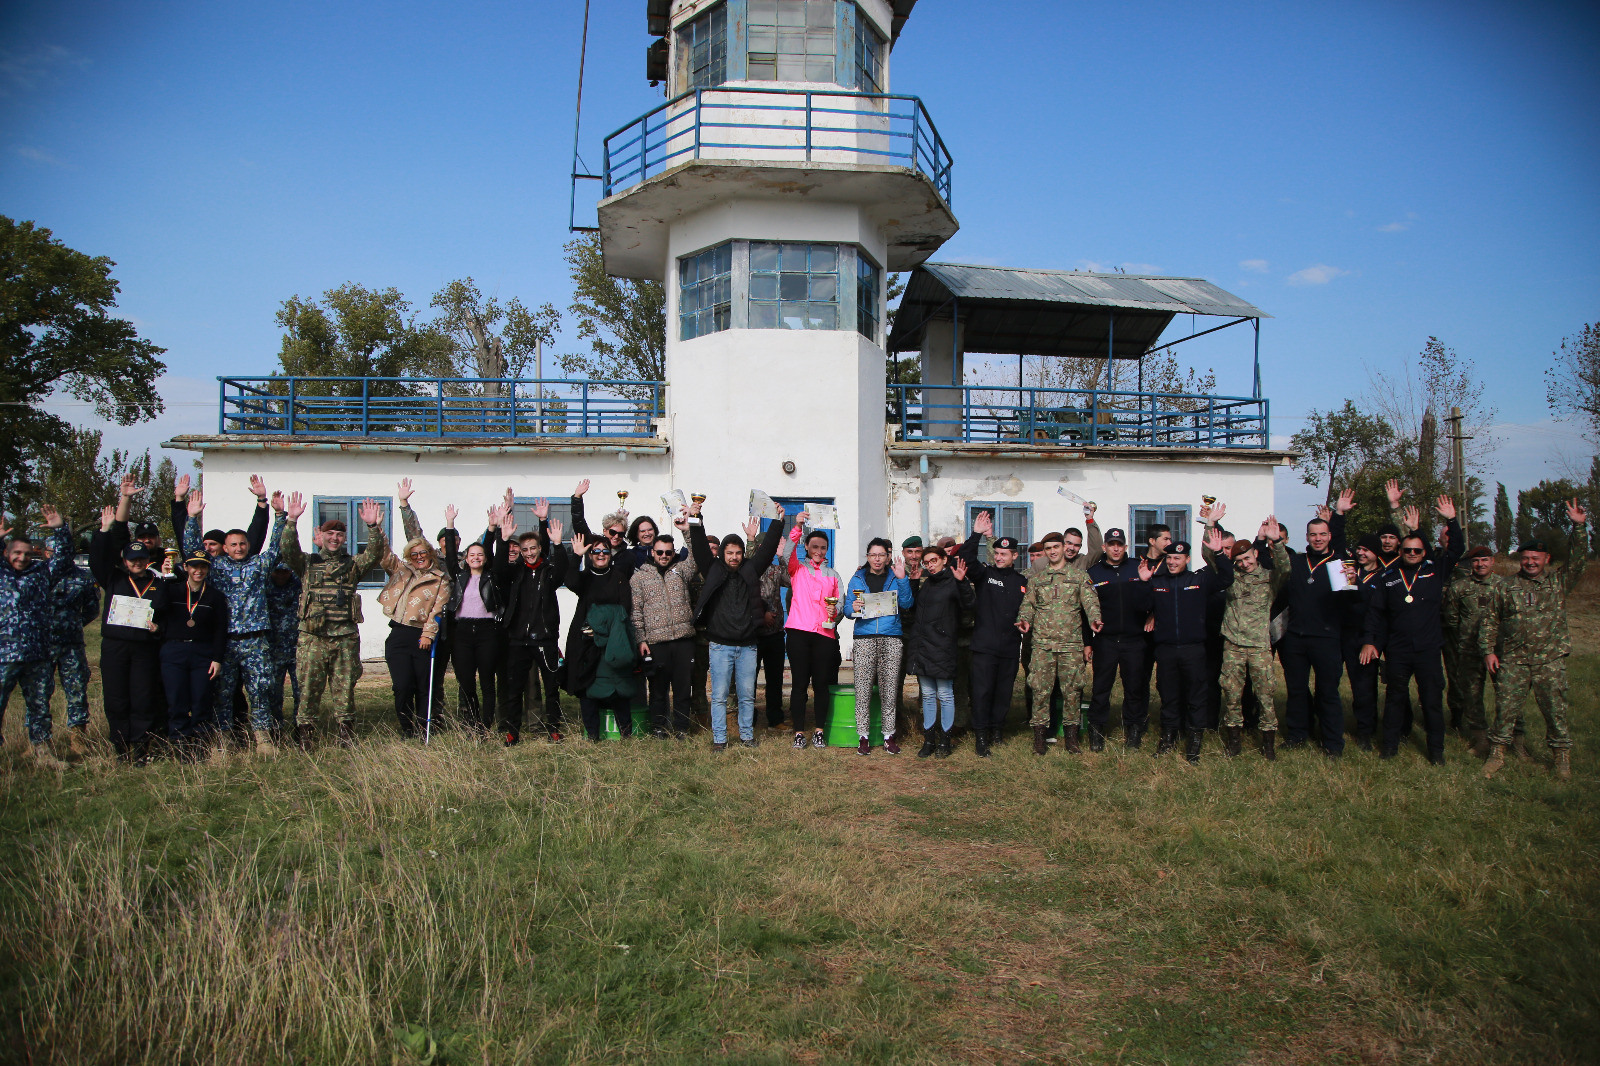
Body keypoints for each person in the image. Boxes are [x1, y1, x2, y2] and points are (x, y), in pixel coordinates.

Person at [1481, 499, 1588, 780]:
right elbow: (1491, 620)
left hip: (1548, 661)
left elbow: (1578, 561)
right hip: (1513, 660)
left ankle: (1561, 759)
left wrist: (1579, 528)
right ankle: (1496, 755)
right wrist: (1488, 651)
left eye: (1535, 558)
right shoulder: (1506, 586)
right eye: (1526, 558)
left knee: (1555, 712)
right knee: (1505, 710)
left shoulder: (1557, 583)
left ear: (1546, 559)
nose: (1530, 562)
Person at [180, 485, 289, 753]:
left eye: (242, 544)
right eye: (233, 545)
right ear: (225, 548)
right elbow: (192, 550)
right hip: (225, 641)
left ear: (247, 545)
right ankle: (223, 741)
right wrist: (192, 518)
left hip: (256, 640)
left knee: (260, 689)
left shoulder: (258, 565)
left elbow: (276, 548)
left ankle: (263, 738)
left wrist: (279, 516)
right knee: (223, 693)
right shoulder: (216, 567)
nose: (238, 548)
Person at [1359, 497, 1463, 765]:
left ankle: (1436, 751)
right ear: (1401, 551)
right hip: (1398, 650)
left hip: (1428, 650)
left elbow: (1456, 550)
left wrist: (1452, 520)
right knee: (1395, 699)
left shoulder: (1435, 572)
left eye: (1417, 550)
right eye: (1407, 550)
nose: (1412, 554)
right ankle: (1389, 747)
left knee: (1431, 701)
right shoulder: (1389, 577)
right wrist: (1370, 641)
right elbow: (1376, 613)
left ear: (1424, 552)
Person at [280, 493, 387, 747]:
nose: (335, 538)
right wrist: (291, 521)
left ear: (344, 538)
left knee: (345, 687)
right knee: (308, 687)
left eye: (339, 534)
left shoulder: (353, 565)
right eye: (330, 533)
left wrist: (372, 527)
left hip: (344, 638)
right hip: (313, 638)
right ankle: (305, 735)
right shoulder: (307, 563)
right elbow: (288, 550)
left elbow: (374, 554)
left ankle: (346, 734)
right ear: (322, 535)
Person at [689, 506, 785, 751]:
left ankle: (746, 736)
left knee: (747, 696)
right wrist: (695, 517)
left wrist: (777, 521)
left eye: (738, 553)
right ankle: (720, 740)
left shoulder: (751, 570)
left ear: (743, 554)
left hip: (747, 646)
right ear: (722, 553)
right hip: (720, 646)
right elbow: (699, 546)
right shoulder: (713, 569)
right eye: (729, 553)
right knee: (719, 696)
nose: (734, 557)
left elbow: (768, 550)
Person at [1145, 530, 1233, 763]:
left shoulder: (1198, 580)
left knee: (1196, 696)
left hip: (1193, 649)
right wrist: (1144, 583)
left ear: (1187, 559)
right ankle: (1168, 739)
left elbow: (1226, 578)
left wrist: (1218, 553)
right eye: (1169, 558)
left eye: (1178, 558)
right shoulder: (1157, 582)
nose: (1173, 562)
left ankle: (1194, 743)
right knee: (1169, 695)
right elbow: (1141, 605)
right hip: (1166, 649)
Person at [1278, 492, 1355, 757]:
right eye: (1313, 535)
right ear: (1307, 537)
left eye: (1322, 534)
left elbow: (1350, 597)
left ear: (1329, 535)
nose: (1318, 539)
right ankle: (1298, 734)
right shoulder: (1297, 562)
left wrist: (1339, 515)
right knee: (1297, 690)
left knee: (1328, 692)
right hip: (1296, 638)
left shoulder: (1339, 563)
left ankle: (1332, 742)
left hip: (1326, 637)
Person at [90, 504, 167, 762]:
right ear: (124, 561)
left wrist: (159, 628)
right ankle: (121, 746)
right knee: (116, 697)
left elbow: (166, 615)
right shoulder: (114, 579)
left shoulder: (158, 583)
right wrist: (103, 532)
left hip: (144, 647)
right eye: (132, 559)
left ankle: (141, 746)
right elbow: (97, 560)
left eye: (141, 558)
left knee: (143, 697)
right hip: (116, 646)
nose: (137, 563)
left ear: (148, 559)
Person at [375, 488, 452, 740]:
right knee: (402, 686)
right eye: (414, 554)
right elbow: (383, 552)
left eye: (423, 553)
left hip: (421, 637)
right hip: (398, 635)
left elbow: (437, 610)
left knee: (424, 686)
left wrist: (428, 634)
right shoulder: (401, 570)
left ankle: (423, 727)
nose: (419, 557)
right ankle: (407, 728)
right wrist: (375, 528)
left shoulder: (440, 579)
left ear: (430, 554)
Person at [1017, 530, 1102, 755]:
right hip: (1042, 645)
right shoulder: (1037, 579)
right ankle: (1039, 738)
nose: (1053, 551)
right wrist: (1024, 619)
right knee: (1040, 691)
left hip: (1070, 645)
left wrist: (1094, 619)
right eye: (1048, 549)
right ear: (1045, 552)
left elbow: (1090, 602)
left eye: (1056, 547)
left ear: (1064, 548)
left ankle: (1071, 739)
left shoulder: (1079, 576)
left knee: (1072, 691)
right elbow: (1028, 605)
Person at [1, 509, 74, 768]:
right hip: (4, 654)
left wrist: (60, 529)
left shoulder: (40, 573)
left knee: (40, 706)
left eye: (26, 553)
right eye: (16, 553)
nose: (22, 558)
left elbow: (63, 559)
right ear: (6, 554)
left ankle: (42, 752)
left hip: (37, 654)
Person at [493, 507, 568, 745]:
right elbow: (498, 570)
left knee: (551, 688)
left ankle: (553, 729)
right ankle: (512, 732)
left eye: (533, 548)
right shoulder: (516, 573)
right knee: (515, 688)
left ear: (539, 549)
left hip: (545, 639)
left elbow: (563, 571)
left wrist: (557, 544)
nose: (529, 553)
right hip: (519, 640)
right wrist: (503, 540)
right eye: (524, 550)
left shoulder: (549, 572)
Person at [1218, 518, 1291, 758]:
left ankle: (1268, 743)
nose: (1245, 564)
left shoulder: (1270, 578)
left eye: (1248, 558)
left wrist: (1276, 541)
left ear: (1256, 554)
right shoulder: (1231, 577)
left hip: (1259, 646)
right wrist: (1210, 526)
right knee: (1232, 695)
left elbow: (1285, 567)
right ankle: (1234, 741)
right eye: (1239, 560)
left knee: (1265, 695)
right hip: (1234, 646)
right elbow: (1211, 558)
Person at [959, 511, 1029, 757]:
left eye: (1004, 554)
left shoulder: (1022, 582)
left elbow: (1028, 610)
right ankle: (981, 736)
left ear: (1014, 556)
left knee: (1003, 693)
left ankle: (997, 730)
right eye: (996, 553)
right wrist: (976, 534)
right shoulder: (985, 575)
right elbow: (965, 558)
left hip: (1009, 647)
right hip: (984, 647)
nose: (999, 557)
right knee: (982, 692)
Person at [562, 531, 640, 741]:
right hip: (586, 641)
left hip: (613, 641)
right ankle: (592, 735)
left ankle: (626, 733)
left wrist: (601, 630)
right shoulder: (585, 577)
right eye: (596, 551)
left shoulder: (619, 578)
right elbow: (570, 581)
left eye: (605, 551)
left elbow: (623, 610)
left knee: (617, 686)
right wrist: (576, 556)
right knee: (587, 687)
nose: (601, 554)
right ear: (590, 555)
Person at [152, 550, 230, 759]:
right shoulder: (172, 590)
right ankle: (179, 744)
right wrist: (166, 579)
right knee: (176, 699)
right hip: (174, 650)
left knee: (201, 699)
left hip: (202, 652)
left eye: (203, 567)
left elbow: (220, 630)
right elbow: (156, 607)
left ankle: (200, 745)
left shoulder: (215, 596)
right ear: (185, 567)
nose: (198, 571)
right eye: (194, 566)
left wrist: (217, 659)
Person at [842, 538, 915, 755]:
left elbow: (907, 603)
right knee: (863, 689)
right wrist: (854, 607)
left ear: (887, 556)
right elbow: (847, 611)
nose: (877, 559)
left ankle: (888, 736)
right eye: (873, 555)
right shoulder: (857, 577)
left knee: (889, 689)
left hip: (891, 636)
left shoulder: (895, 576)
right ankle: (863, 737)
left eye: (881, 555)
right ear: (867, 557)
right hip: (864, 637)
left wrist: (902, 579)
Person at [1087, 527, 1155, 749]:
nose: (1116, 549)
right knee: (1101, 689)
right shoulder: (1094, 573)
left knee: (1134, 689)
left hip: (1134, 640)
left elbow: (1152, 601)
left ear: (1126, 546)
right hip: (1106, 640)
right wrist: (1087, 642)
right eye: (1111, 545)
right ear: (1104, 547)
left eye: (1119, 545)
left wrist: (1145, 583)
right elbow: (1085, 610)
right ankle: (1097, 730)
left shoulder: (1138, 567)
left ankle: (1134, 730)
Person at [631, 519, 699, 739]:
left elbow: (697, 556)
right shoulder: (639, 577)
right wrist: (641, 639)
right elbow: (636, 612)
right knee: (658, 689)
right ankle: (659, 727)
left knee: (682, 689)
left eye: (668, 552)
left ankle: (681, 728)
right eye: (659, 552)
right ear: (652, 552)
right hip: (656, 642)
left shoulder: (681, 570)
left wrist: (687, 532)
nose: (664, 556)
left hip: (683, 639)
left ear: (673, 553)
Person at [905, 547, 973, 758]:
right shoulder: (927, 584)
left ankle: (945, 740)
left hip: (943, 646)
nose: (930, 565)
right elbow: (914, 609)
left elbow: (969, 605)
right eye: (927, 562)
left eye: (934, 560)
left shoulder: (954, 581)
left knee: (945, 694)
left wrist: (962, 582)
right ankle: (929, 740)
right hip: (923, 646)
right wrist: (914, 582)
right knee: (927, 695)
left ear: (944, 559)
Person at [443, 505, 505, 736]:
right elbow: (450, 555)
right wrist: (450, 524)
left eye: (480, 554)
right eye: (472, 555)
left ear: (485, 558)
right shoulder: (459, 576)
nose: (476, 557)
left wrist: (493, 528)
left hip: (487, 631)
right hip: (462, 631)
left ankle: (486, 725)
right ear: (466, 559)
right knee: (466, 681)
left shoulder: (492, 576)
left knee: (487, 681)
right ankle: (473, 721)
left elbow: (491, 548)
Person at [785, 518, 844, 749]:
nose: (819, 551)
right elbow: (786, 554)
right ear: (807, 547)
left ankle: (819, 730)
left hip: (824, 635)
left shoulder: (834, 575)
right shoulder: (797, 569)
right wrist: (797, 528)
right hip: (798, 632)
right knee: (799, 684)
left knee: (821, 684)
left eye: (823, 547)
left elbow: (841, 604)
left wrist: (834, 612)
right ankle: (799, 732)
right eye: (814, 547)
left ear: (827, 549)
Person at [40, 533, 100, 758]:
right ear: (45, 553)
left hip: (71, 645)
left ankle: (78, 737)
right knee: (39, 692)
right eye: (52, 552)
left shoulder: (83, 578)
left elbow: (92, 609)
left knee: (76, 690)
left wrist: (73, 624)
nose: (57, 556)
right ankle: (39, 739)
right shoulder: (38, 575)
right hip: (43, 645)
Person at [1441, 545, 1503, 756]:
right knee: (1472, 695)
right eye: (1476, 561)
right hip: (1469, 650)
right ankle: (1481, 738)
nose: (1480, 564)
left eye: (1485, 560)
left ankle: (1511, 737)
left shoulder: (1504, 586)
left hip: (1498, 651)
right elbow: (1452, 618)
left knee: (1505, 693)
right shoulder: (1459, 587)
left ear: (1492, 561)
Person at [1339, 534, 1388, 751]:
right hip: (1343, 634)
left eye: (1366, 550)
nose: (1360, 553)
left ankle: (1365, 732)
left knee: (1364, 688)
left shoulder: (1383, 576)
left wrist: (1373, 642)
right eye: (1359, 548)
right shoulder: (1349, 570)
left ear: (1376, 553)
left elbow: (1374, 604)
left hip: (1366, 639)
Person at [754, 533, 794, 730]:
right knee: (748, 680)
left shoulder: (776, 570)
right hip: (753, 634)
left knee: (775, 679)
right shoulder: (749, 568)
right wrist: (761, 615)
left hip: (775, 633)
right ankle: (747, 719)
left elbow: (792, 579)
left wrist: (782, 556)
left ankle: (775, 719)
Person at [570, 479, 637, 573]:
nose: (616, 536)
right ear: (605, 531)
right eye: (612, 532)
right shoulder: (592, 544)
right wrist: (577, 498)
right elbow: (579, 522)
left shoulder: (628, 555)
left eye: (621, 534)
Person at [265, 561, 302, 727]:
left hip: (297, 649)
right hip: (274, 650)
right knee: (273, 693)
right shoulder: (265, 587)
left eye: (285, 572)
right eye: (277, 572)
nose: (281, 575)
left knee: (301, 692)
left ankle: (300, 728)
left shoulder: (299, 585)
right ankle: (275, 728)